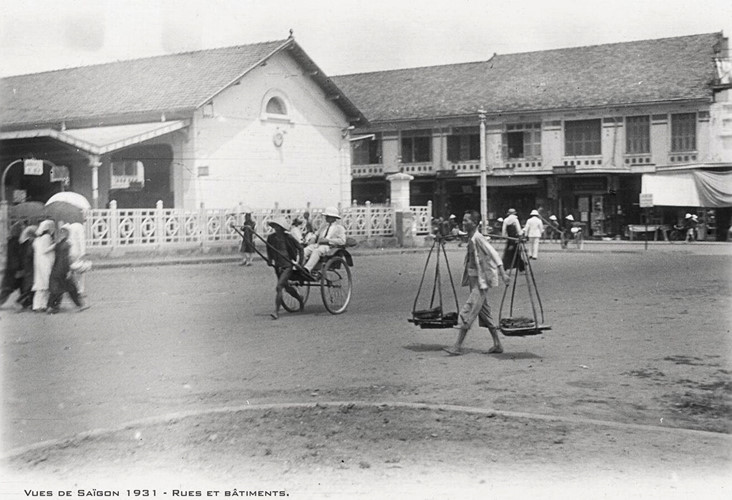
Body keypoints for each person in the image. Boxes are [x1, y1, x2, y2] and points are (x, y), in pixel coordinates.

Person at [443, 210, 511, 356]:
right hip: (474, 278)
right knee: (484, 312)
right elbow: (461, 236)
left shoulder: (479, 238)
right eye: (463, 220)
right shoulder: (471, 236)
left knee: (470, 309)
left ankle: (457, 346)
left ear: (474, 223)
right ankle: (497, 344)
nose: (463, 222)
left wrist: (503, 273)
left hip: (482, 282)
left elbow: (494, 254)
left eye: (466, 220)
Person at [266, 216, 304, 320]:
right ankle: (299, 298)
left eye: (278, 226)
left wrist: (299, 263)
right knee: (286, 288)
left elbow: (300, 248)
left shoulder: (288, 237)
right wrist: (270, 259)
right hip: (277, 266)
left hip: (287, 265)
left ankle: (276, 312)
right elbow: (269, 249)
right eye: (275, 226)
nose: (276, 228)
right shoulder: (271, 238)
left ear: (282, 228)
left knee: (279, 287)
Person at [47, 226, 88, 313]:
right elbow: (65, 259)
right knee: (72, 289)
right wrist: (69, 270)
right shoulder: (67, 245)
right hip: (63, 270)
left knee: (56, 290)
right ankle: (80, 305)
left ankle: (50, 306)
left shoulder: (58, 245)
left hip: (56, 269)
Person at [302, 206, 346, 276]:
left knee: (317, 251)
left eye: (328, 216)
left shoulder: (339, 228)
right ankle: (298, 266)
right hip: (318, 244)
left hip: (329, 247)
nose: (326, 218)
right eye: (326, 216)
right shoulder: (323, 226)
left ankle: (307, 269)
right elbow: (316, 233)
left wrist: (328, 240)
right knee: (304, 250)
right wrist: (313, 238)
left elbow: (342, 241)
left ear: (333, 218)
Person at [32, 220, 56, 312]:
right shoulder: (47, 237)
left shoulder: (37, 239)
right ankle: (43, 304)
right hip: (45, 262)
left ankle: (37, 305)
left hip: (38, 262)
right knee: (46, 284)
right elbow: (45, 250)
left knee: (40, 285)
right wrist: (54, 245)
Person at [0, 221, 26, 307]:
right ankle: (22, 303)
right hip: (15, 270)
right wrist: (19, 269)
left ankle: (24, 303)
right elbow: (15, 257)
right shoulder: (16, 242)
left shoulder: (11, 241)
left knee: (10, 289)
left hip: (12, 270)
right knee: (9, 289)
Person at [63, 222, 89, 296]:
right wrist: (83, 253)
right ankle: (80, 290)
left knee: (71, 271)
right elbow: (81, 239)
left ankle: (71, 289)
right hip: (77, 252)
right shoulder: (79, 226)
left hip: (69, 251)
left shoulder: (67, 226)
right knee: (80, 271)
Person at [17, 225, 37, 310]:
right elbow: (30, 255)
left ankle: (29, 303)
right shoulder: (30, 244)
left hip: (27, 267)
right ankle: (20, 301)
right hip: (30, 267)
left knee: (30, 285)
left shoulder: (25, 243)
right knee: (30, 285)